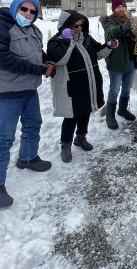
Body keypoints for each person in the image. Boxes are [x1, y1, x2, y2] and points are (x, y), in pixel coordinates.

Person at [0, 0, 54, 208]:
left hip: (28, 89)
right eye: (24, 9)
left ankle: (28, 158)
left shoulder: (33, 29)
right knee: (3, 138)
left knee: (33, 124)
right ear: (15, 8)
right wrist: (38, 69)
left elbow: (38, 53)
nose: (28, 14)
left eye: (33, 11)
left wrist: (47, 62)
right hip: (5, 92)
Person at [47, 10, 118, 163]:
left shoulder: (86, 39)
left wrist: (109, 46)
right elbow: (60, 60)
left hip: (88, 84)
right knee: (71, 116)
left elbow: (99, 53)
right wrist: (68, 41)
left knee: (85, 112)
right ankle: (65, 145)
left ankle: (80, 137)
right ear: (65, 26)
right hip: (71, 88)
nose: (79, 28)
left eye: (81, 25)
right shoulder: (56, 42)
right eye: (74, 26)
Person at [100, 0, 137, 129]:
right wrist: (123, 28)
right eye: (118, 7)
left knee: (126, 88)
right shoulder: (108, 21)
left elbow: (136, 38)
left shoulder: (129, 20)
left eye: (123, 7)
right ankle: (110, 116)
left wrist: (134, 34)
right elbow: (111, 32)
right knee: (114, 90)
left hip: (131, 62)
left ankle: (122, 110)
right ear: (114, 9)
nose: (121, 9)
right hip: (116, 62)